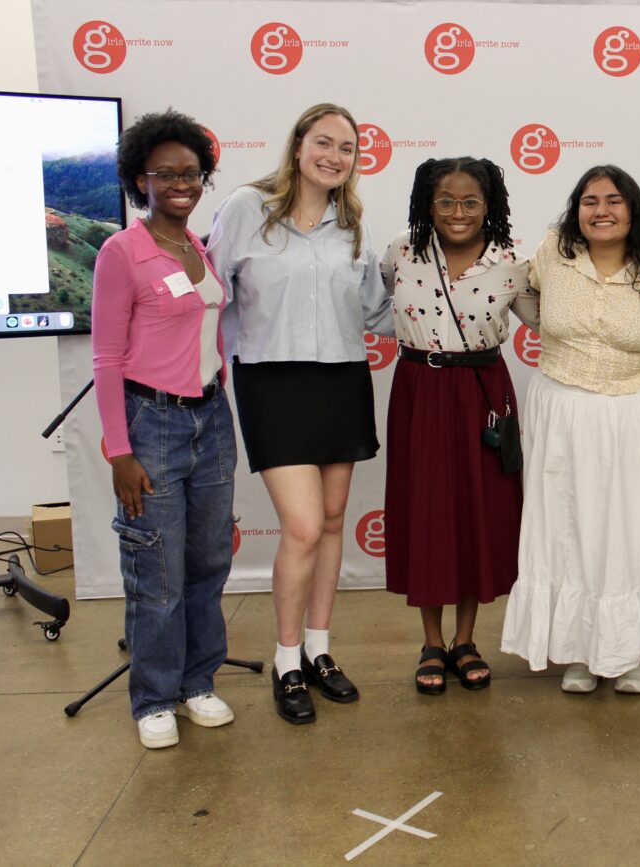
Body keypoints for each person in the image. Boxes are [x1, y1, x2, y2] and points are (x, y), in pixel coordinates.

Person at [208, 103, 393, 725]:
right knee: (306, 527)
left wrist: (453, 302)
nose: (334, 156)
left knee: (335, 521)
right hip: (272, 381)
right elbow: (210, 293)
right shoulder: (245, 208)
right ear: (297, 146)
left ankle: (319, 649)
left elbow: (377, 311)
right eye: (324, 142)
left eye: (347, 147)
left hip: (342, 378)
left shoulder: (355, 226)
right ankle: (286, 659)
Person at [500, 165, 640, 693]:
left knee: (632, 526)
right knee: (569, 525)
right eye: (590, 201)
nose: (601, 210)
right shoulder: (553, 252)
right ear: (577, 210)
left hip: (634, 409)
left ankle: (629, 650)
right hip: (562, 407)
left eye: (614, 200)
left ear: (632, 209)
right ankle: (576, 649)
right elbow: (515, 291)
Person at [92, 110, 236, 749]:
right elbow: (105, 359)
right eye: (166, 174)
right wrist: (119, 450)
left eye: (193, 173)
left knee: (207, 563)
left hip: (211, 419)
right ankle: (153, 697)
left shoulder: (198, 248)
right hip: (151, 424)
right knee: (157, 572)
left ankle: (197, 683)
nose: (183, 183)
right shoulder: (123, 252)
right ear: (139, 180)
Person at [380, 157, 537, 694]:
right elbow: (378, 307)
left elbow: (548, 320)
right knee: (427, 514)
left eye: (471, 201)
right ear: (428, 204)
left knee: (477, 513)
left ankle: (466, 640)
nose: (458, 212)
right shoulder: (401, 251)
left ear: (489, 206)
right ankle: (430, 642)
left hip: (483, 392)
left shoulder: (512, 262)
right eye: (445, 200)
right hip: (420, 390)